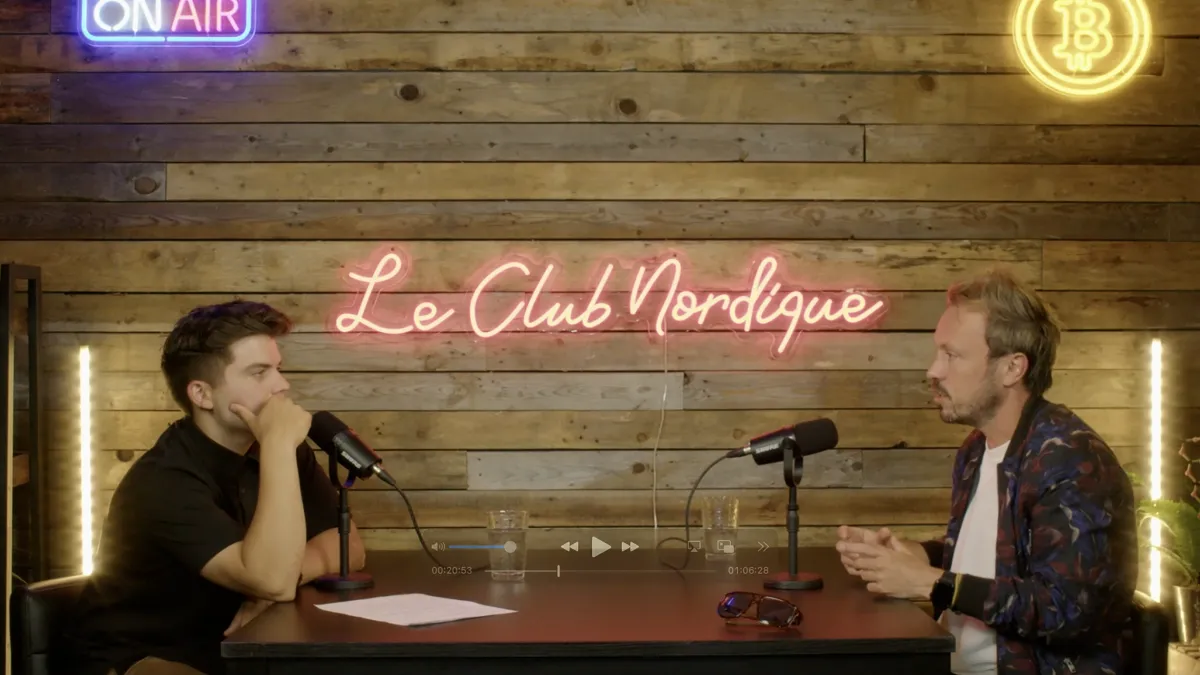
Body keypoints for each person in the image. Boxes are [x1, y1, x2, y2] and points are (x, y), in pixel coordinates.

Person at [835, 269, 1137, 675]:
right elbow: (1002, 558)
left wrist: (929, 582)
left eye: (952, 355)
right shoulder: (976, 450)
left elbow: (1068, 609)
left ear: (1012, 368)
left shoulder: (1071, 459)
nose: (933, 370)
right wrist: (915, 555)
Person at [61, 300, 367, 675]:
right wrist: (273, 582)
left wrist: (285, 577)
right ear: (202, 394)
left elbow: (347, 546)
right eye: (259, 373)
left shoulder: (281, 447)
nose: (282, 385)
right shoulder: (164, 480)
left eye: (278, 369)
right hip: (142, 655)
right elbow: (273, 581)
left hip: (236, 645)